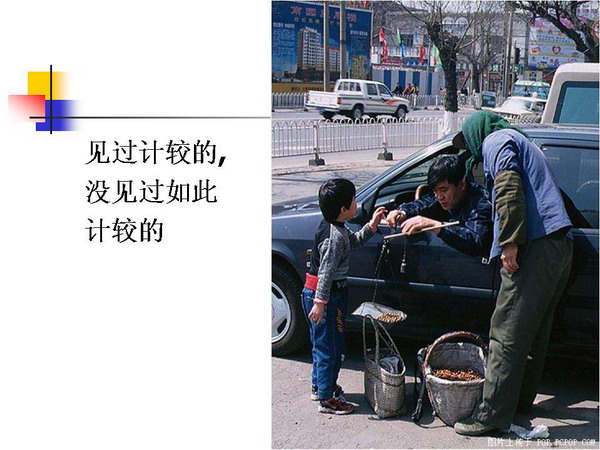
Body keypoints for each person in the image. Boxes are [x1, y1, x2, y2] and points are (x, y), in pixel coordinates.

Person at [451, 111, 573, 436]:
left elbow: (507, 187)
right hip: (558, 244)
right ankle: (518, 403)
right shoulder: (522, 141)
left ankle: (491, 415)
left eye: (470, 146)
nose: (472, 155)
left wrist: (509, 242)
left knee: (505, 333)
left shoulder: (496, 141)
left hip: (534, 245)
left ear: (476, 133)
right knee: (532, 333)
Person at [302, 178, 387, 415]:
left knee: (322, 344)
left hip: (320, 294)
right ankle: (327, 397)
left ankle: (320, 386)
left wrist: (372, 225)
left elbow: (354, 241)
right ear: (343, 208)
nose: (356, 203)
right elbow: (326, 272)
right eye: (354, 200)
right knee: (331, 347)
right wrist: (320, 303)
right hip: (326, 297)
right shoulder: (334, 237)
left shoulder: (334, 227)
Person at [386, 155, 492, 257]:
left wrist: (437, 226)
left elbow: (477, 241)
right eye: (435, 191)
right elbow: (424, 203)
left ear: (461, 185)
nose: (439, 197)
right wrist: (402, 212)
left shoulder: (481, 203)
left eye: (443, 190)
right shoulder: (439, 196)